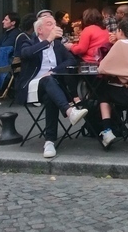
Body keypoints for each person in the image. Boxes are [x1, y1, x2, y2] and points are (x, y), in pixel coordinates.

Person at [19, 10, 88, 159]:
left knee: (50, 91)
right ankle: (70, 112)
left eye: (55, 24)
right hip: (33, 87)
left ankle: (49, 142)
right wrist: (47, 41)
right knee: (47, 81)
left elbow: (71, 61)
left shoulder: (57, 45)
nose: (54, 27)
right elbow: (26, 54)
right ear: (39, 29)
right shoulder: (28, 42)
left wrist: (53, 71)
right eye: (49, 24)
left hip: (53, 87)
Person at [95, 18, 128, 147]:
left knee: (103, 93)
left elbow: (102, 68)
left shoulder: (120, 44)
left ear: (120, 31)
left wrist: (115, 43)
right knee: (111, 89)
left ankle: (107, 131)